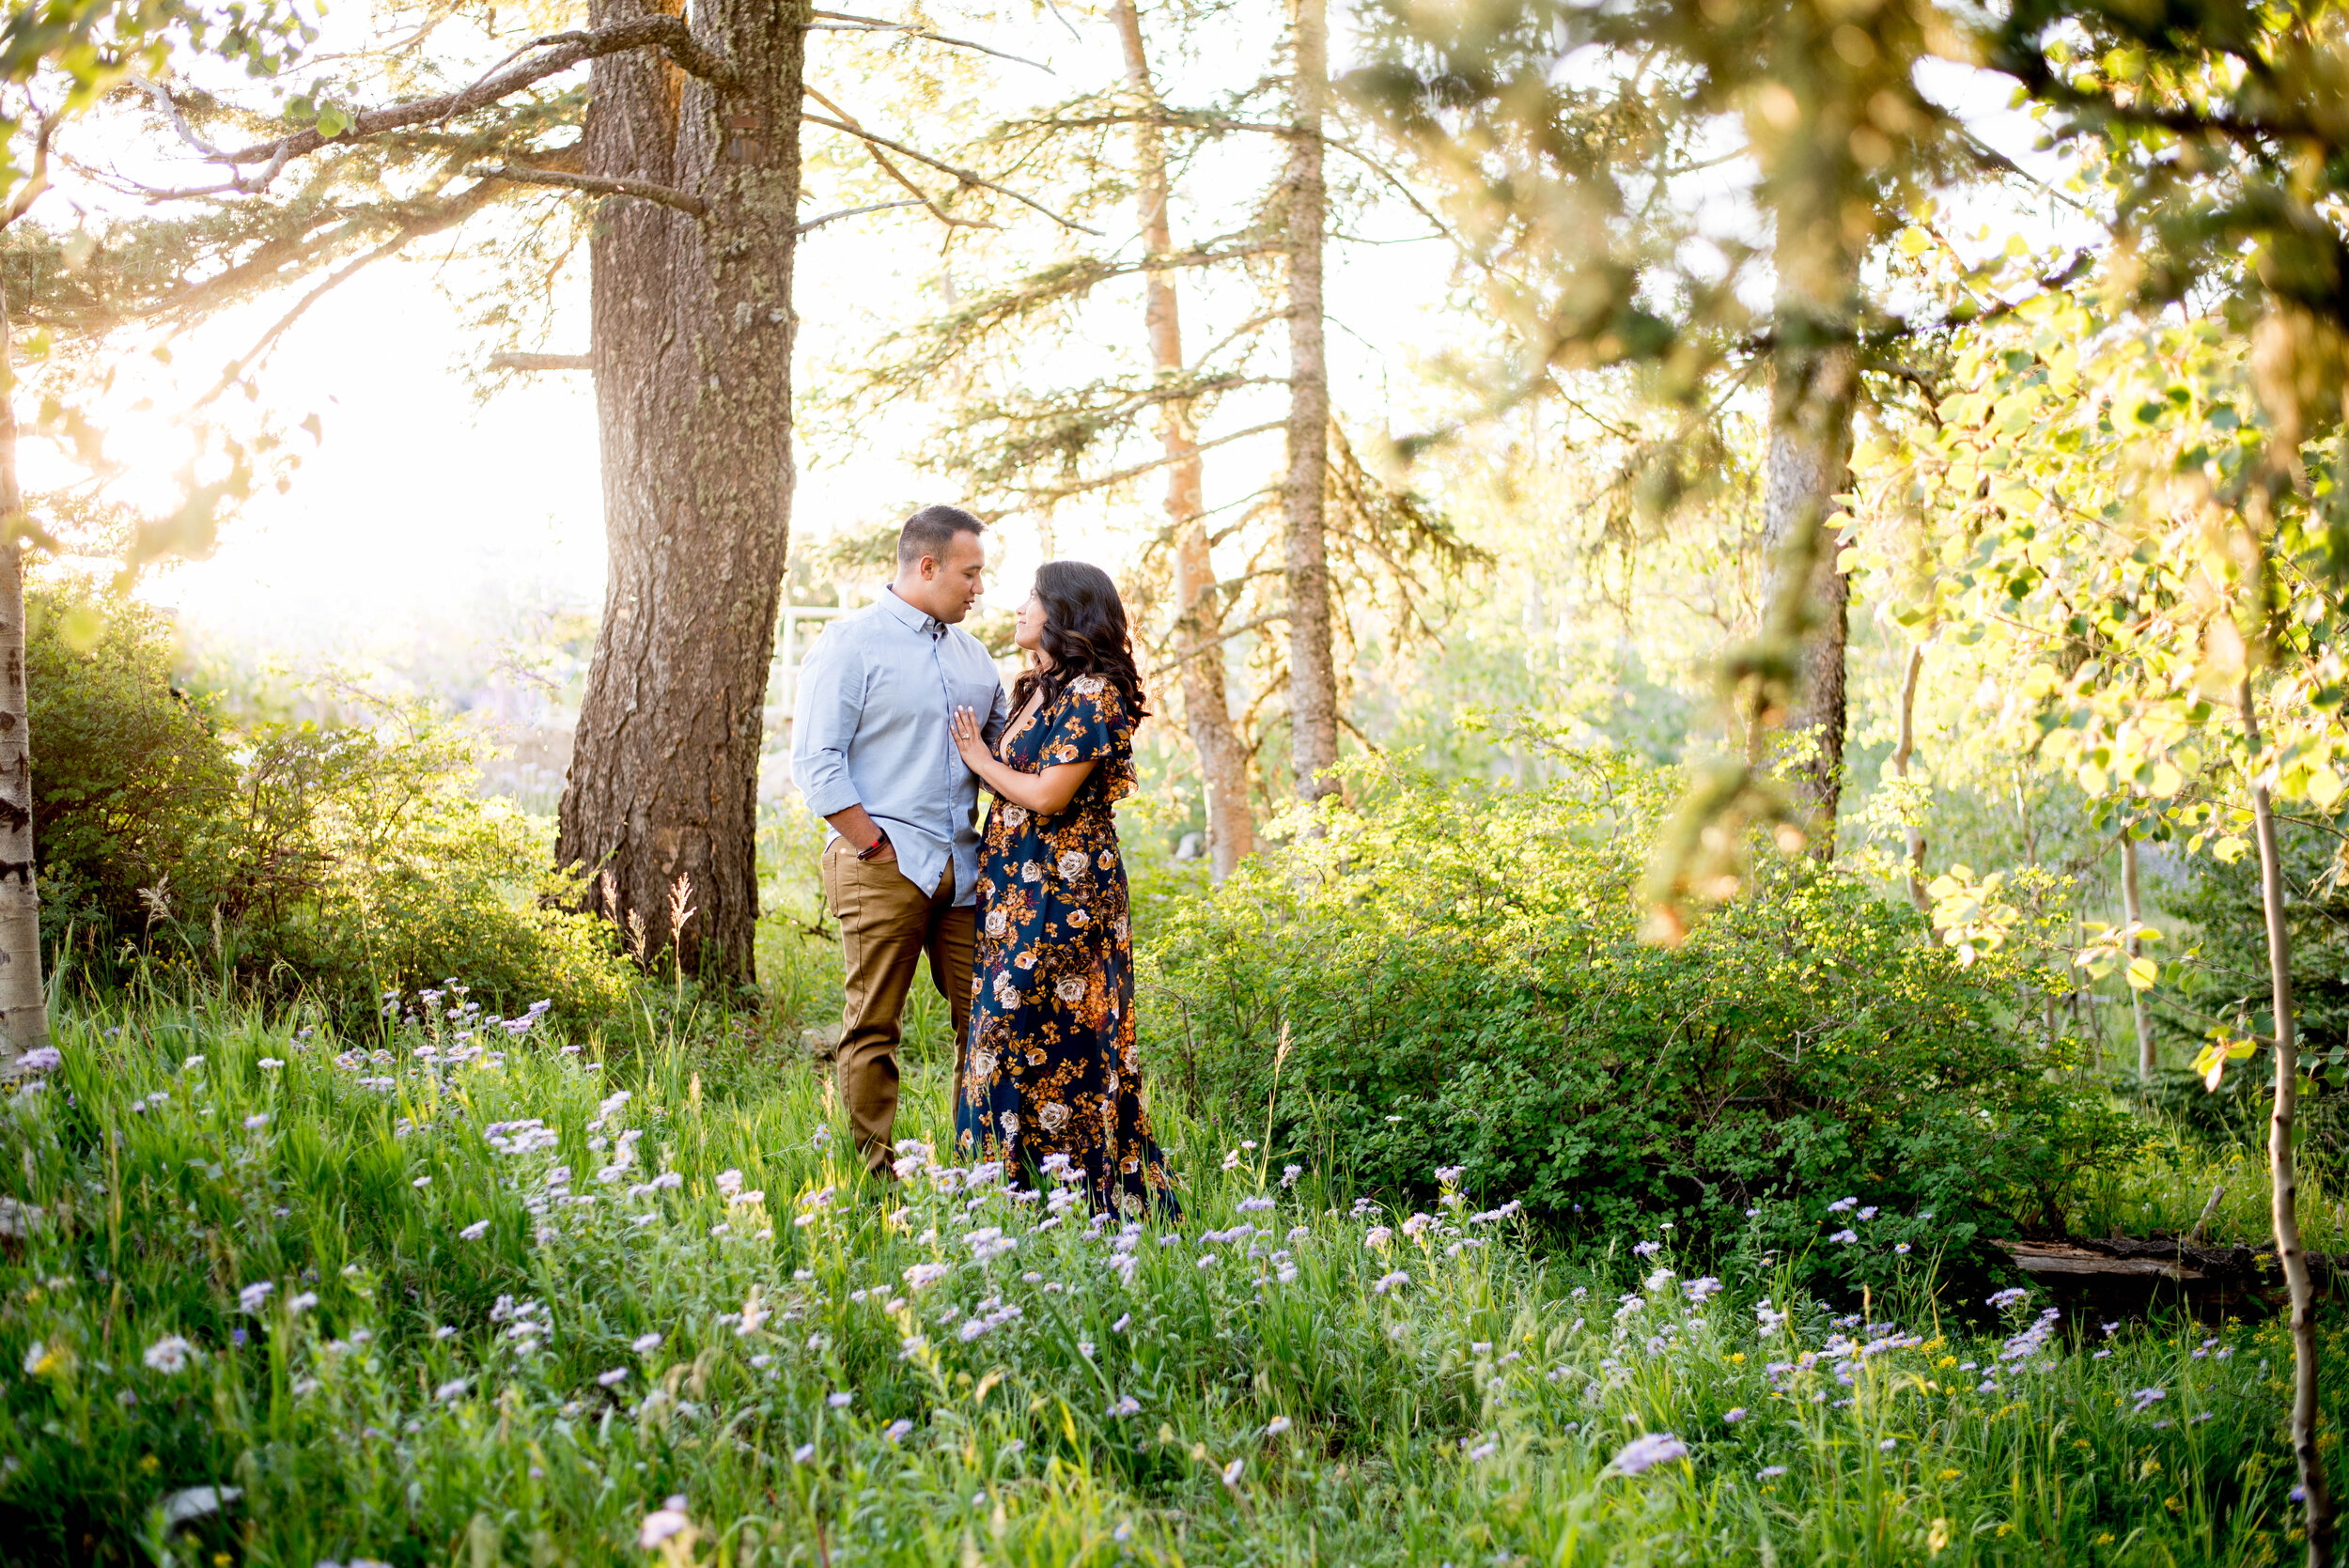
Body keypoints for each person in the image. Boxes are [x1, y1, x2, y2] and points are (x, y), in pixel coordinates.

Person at [948, 561, 1178, 1215]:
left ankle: (1080, 1195)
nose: (1017, 607)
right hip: (1012, 893)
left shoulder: (1094, 692)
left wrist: (983, 761)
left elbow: (1049, 796)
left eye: (1031, 597)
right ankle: (1006, 1196)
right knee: (1001, 1037)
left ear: (1065, 611)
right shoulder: (1036, 686)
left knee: (1053, 1035)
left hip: (1066, 895)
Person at [792, 505, 1009, 1178]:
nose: (979, 587)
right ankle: (871, 1180)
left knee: (988, 1026)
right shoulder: (850, 642)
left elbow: (1002, 755)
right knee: (874, 1027)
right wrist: (872, 845)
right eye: (970, 574)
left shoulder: (976, 658)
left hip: (966, 874)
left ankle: (980, 1172)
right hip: (881, 864)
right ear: (927, 566)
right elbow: (817, 761)